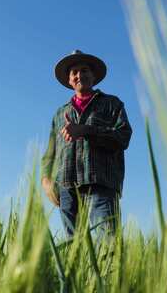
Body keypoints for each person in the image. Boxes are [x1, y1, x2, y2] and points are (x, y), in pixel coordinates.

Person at [40, 50, 132, 237]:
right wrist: (46, 180)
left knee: (108, 247)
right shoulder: (60, 114)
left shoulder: (111, 104)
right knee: (73, 252)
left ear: (94, 76)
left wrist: (86, 130)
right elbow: (49, 154)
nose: (79, 75)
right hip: (67, 190)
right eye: (74, 72)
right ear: (69, 80)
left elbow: (123, 136)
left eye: (84, 71)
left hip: (101, 186)